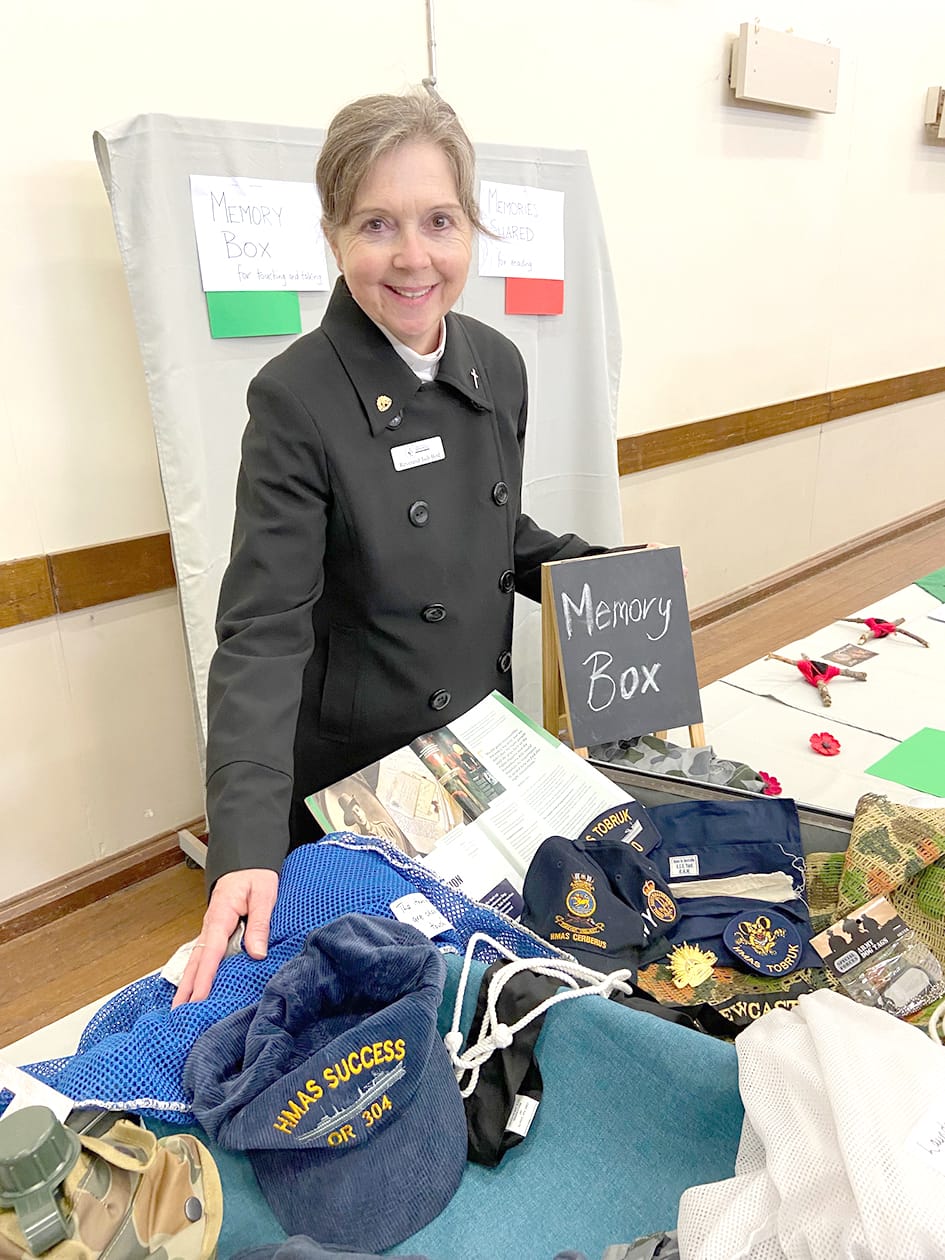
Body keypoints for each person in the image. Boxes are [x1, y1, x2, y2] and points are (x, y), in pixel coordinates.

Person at [174, 90, 634, 1006]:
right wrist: (246, 846)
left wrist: (604, 574)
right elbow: (263, 632)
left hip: (478, 747)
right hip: (363, 786)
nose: (413, 256)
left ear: (471, 227)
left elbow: (492, 536)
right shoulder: (295, 398)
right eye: (377, 223)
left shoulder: (497, 363)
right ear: (333, 235)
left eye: (439, 221)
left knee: (505, 986)